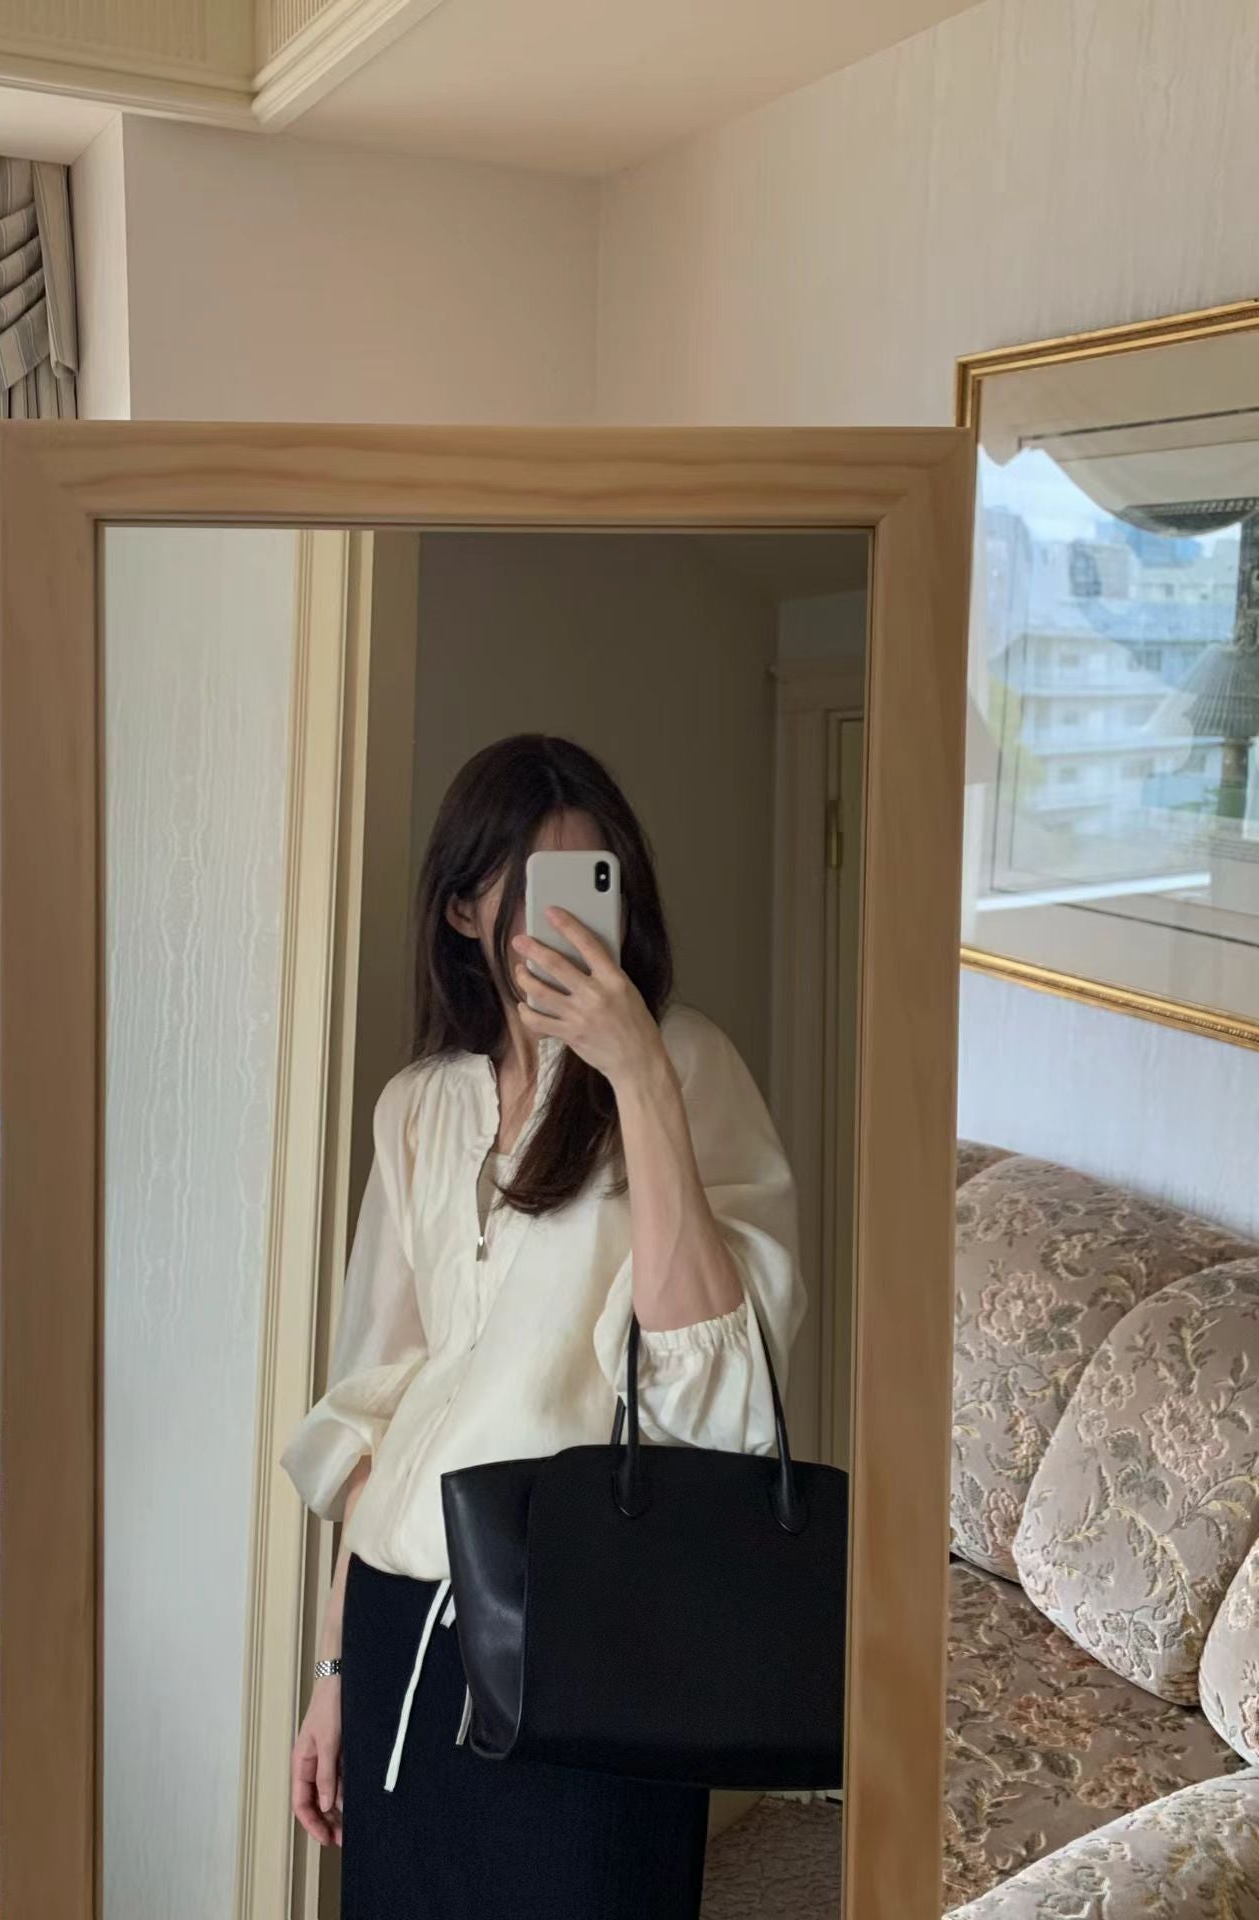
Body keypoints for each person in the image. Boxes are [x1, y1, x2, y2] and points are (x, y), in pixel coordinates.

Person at [282, 733, 804, 1919]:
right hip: (405, 1628)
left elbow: (721, 1393)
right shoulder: (417, 1108)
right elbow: (378, 1405)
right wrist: (332, 1670)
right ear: (465, 909)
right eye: (530, 890)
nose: (566, 924)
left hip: (596, 1632)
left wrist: (638, 1078)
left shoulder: (686, 1064)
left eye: (590, 884)